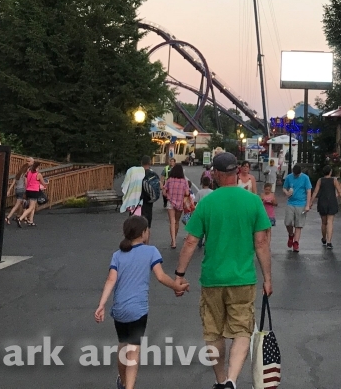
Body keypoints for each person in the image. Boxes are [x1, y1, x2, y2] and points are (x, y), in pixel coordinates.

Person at [177, 152, 273, 389]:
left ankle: (220, 380)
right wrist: (268, 278)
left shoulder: (207, 203)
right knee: (242, 330)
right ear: (238, 171)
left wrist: (179, 275)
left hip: (213, 278)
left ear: (217, 174)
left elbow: (190, 242)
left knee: (213, 331)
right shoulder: (253, 202)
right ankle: (232, 379)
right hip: (242, 278)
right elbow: (261, 243)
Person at [94, 215, 189, 389]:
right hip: (138, 310)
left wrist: (101, 304)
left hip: (119, 310)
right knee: (134, 350)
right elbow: (160, 276)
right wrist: (176, 286)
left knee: (123, 346)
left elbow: (110, 280)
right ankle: (129, 387)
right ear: (144, 233)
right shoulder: (151, 251)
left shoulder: (117, 255)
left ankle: (122, 382)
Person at [282, 163, 312, 252]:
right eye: (295, 174)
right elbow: (284, 188)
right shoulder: (289, 177)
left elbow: (308, 191)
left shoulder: (305, 178)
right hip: (291, 202)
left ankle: (296, 242)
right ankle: (291, 234)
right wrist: (286, 193)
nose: (296, 175)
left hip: (301, 203)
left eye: (297, 174)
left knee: (298, 224)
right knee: (288, 222)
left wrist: (307, 205)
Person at [162, 163, 192, 249]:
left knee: (172, 221)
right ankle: (174, 237)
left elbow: (164, 192)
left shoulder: (169, 180)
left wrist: (168, 194)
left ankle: (173, 241)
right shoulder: (184, 181)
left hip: (170, 202)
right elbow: (186, 193)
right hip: (180, 203)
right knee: (177, 221)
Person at [312, 165, 340, 249]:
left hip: (322, 201)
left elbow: (315, 192)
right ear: (330, 172)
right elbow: (339, 191)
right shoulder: (334, 180)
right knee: (330, 222)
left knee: (324, 222)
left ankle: (324, 238)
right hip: (332, 201)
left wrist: (310, 202)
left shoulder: (320, 180)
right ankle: (329, 242)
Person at [6, 158, 34, 225]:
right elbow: (26, 183)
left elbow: (13, 183)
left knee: (23, 204)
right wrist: (27, 190)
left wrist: (9, 190)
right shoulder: (25, 174)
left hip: (17, 190)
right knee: (18, 205)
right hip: (22, 190)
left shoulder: (18, 174)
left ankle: (22, 217)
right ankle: (8, 217)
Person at [18, 161, 46, 227]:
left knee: (32, 206)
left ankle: (31, 220)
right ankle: (20, 218)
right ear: (37, 167)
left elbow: (27, 181)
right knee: (31, 207)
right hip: (34, 191)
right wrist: (45, 185)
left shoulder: (29, 172)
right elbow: (43, 183)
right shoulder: (38, 174)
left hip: (28, 190)